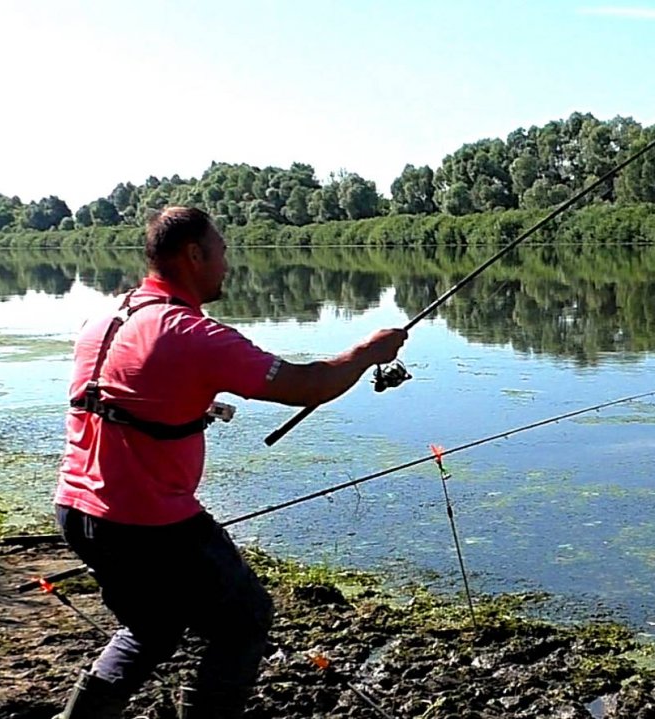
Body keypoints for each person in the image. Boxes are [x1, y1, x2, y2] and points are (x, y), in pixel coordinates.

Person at [51, 206, 407, 719]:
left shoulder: (105, 318)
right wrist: (366, 352)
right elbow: (307, 386)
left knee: (150, 628)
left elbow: (123, 396)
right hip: (150, 521)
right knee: (244, 617)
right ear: (194, 255)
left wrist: (197, 405)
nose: (227, 264)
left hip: (79, 512)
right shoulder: (192, 334)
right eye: (222, 252)